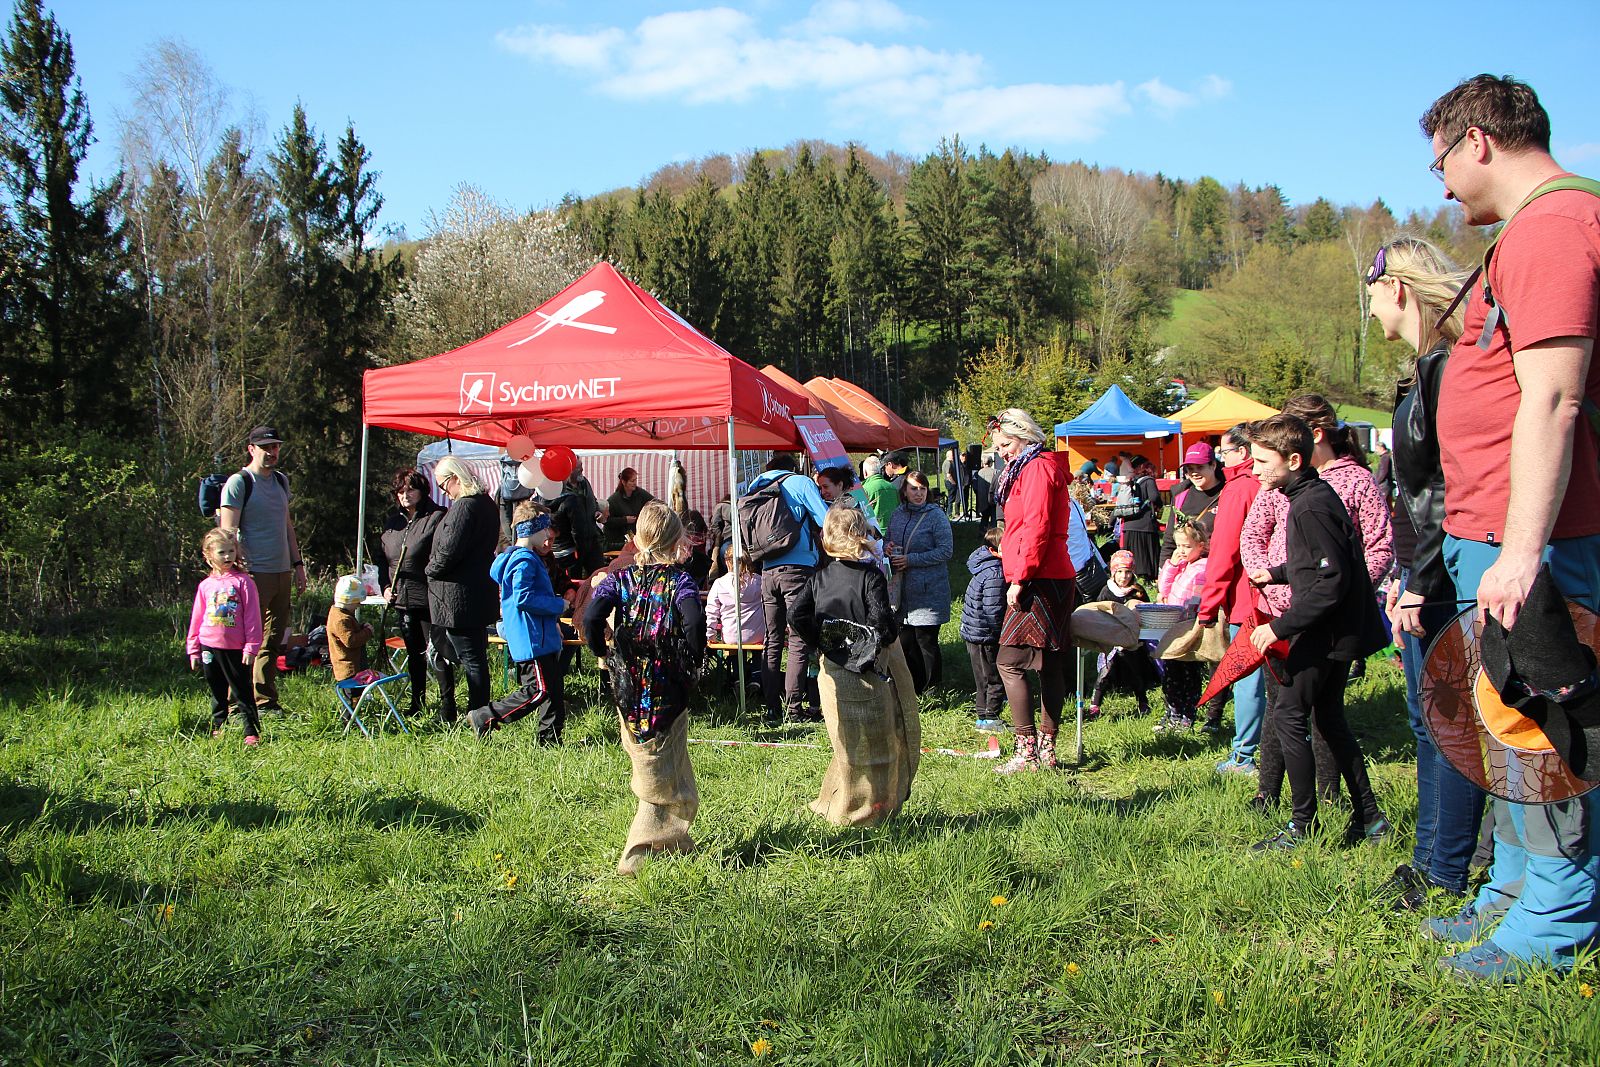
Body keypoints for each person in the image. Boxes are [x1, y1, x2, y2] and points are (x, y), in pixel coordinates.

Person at [1413, 74, 1600, 982]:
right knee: (1506, 723)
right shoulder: (1529, 232)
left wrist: (1523, 552)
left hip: (1539, 542)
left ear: (1477, 141)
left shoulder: (1555, 226)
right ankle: (1515, 890)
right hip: (1494, 532)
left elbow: (1555, 398)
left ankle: (1556, 920)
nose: (1444, 185)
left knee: (1543, 729)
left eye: (1441, 163)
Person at [1365, 235, 1481, 914]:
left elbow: (1447, 485)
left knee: (1448, 720)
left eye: (1372, 295)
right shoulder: (1425, 369)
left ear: (1398, 287)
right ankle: (1432, 860)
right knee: (1427, 720)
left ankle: (1445, 868)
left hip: (1439, 574)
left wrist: (1421, 578)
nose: (1370, 311)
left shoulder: (1446, 368)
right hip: (1420, 570)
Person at [1244, 414, 1389, 853]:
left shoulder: (1309, 505)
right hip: (1334, 629)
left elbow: (1332, 581)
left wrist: (1279, 627)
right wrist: (1277, 572)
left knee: (1289, 716)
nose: (1254, 469)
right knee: (1328, 719)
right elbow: (1323, 561)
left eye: (1262, 461)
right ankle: (1371, 818)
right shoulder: (1312, 494)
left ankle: (1301, 826)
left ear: (1293, 460)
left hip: (1322, 631)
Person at [582, 503, 706, 875]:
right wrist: (694, 658)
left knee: (652, 757)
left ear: (637, 539)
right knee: (666, 762)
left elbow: (591, 615)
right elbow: (694, 623)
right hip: (668, 685)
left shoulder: (619, 578)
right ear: (677, 540)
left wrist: (601, 649)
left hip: (629, 686)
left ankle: (671, 840)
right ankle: (642, 848)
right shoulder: (680, 581)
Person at [790, 506, 921, 825]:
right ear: (861, 536)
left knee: (845, 742)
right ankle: (873, 807)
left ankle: (842, 801)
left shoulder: (819, 578)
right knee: (879, 742)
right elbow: (882, 625)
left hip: (833, 673)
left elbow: (795, 615)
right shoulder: (870, 576)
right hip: (868, 672)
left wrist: (823, 639)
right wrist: (871, 642)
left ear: (826, 538)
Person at [987, 409, 1077, 773]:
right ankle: (1045, 750)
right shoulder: (1031, 467)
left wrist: (1020, 578)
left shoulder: (1037, 468)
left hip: (1039, 577)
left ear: (1025, 437)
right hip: (1049, 574)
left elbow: (1037, 527)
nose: (1002, 452)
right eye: (998, 447)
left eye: (1006, 444)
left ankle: (1028, 753)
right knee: (1048, 664)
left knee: (1009, 661)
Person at [217, 425, 305, 713]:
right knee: (245, 640)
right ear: (251, 449)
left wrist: (298, 565)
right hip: (252, 574)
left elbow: (287, 526)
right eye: (265, 447)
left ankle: (265, 700)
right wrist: (232, 575)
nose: (271, 452)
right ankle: (236, 704)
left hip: (281, 571)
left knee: (273, 640)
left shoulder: (281, 481)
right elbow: (227, 533)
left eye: (275, 447)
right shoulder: (239, 482)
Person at [463, 502, 568, 741]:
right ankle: (486, 716)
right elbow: (524, 598)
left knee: (553, 690)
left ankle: (550, 739)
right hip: (533, 639)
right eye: (544, 529)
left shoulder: (522, 558)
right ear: (533, 529)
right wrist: (557, 605)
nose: (547, 535)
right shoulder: (524, 561)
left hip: (540, 637)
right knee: (538, 690)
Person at [1198, 424, 1266, 774]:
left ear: (1243, 452)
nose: (1221, 459)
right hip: (1285, 596)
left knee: (1248, 678)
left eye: (1223, 452)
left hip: (1248, 598)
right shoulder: (1281, 481)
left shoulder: (1239, 489)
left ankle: (1245, 755)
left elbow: (1224, 551)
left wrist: (1208, 605)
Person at [747, 453, 832, 724]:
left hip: (767, 570)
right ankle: (794, 709)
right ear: (793, 468)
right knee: (797, 639)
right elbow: (826, 520)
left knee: (772, 640)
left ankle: (772, 708)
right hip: (798, 569)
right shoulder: (800, 483)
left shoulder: (755, 486)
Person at [425, 456, 500, 721]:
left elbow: (449, 551)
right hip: (476, 590)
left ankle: (478, 715)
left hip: (459, 596)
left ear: (455, 478)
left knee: (471, 660)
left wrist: (429, 570)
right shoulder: (486, 504)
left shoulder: (465, 506)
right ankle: (479, 713)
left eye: (443, 485)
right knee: (475, 658)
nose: (444, 492)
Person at [378, 467, 449, 722]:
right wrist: (385, 587)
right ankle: (417, 702)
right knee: (414, 654)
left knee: (437, 652)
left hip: (430, 598)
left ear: (422, 491)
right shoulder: (393, 522)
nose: (405, 495)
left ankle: (447, 706)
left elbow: (442, 555)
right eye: (400, 491)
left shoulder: (436, 517)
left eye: (410, 490)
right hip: (402, 598)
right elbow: (382, 561)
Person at [186, 527, 262, 745]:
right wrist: (193, 649)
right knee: (216, 689)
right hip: (209, 646)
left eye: (231, 551)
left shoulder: (244, 582)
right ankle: (219, 726)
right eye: (222, 552)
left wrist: (251, 646)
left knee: (242, 690)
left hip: (235, 648)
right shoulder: (205, 586)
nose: (228, 556)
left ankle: (251, 731)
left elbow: (252, 617)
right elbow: (197, 618)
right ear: (209, 555)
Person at [887, 470, 954, 694]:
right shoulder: (897, 514)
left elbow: (946, 551)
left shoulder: (936, 516)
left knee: (926, 641)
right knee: (906, 641)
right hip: (902, 591)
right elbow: (889, 538)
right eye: (914, 489)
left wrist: (911, 559)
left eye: (922, 489)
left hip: (928, 590)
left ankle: (933, 689)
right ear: (904, 491)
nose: (919, 493)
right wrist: (888, 547)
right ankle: (913, 687)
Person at [1086, 550, 1156, 719]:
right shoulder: (1106, 591)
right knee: (1105, 672)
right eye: (1119, 572)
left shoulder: (1137, 591)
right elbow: (1100, 613)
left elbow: (1146, 613)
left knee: (1136, 672)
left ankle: (1143, 702)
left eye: (1128, 572)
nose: (1124, 576)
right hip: (1111, 641)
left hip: (1132, 641)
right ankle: (1095, 705)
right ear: (1113, 572)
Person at [1155, 524, 1210, 732]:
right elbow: (1163, 588)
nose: (1181, 551)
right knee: (1171, 673)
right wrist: (1171, 565)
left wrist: (1191, 617)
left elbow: (1196, 599)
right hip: (1173, 625)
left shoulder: (1202, 569)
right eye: (1178, 546)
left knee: (1188, 674)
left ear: (1200, 546)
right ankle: (1173, 712)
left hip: (1188, 627)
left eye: (1187, 546)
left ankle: (1187, 714)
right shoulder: (1183, 566)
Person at [961, 526, 1007, 733]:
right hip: (986, 633)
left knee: (981, 676)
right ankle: (991, 717)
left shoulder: (983, 565)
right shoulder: (996, 573)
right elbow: (993, 609)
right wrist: (999, 634)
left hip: (973, 631)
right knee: (994, 677)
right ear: (994, 550)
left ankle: (982, 716)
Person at [705, 540, 764, 688]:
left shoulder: (719, 583)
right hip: (757, 635)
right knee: (758, 646)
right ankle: (756, 676)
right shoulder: (758, 581)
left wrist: (710, 634)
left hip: (732, 636)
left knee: (733, 644)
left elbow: (711, 610)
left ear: (727, 562)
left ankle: (737, 676)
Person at [1161, 443, 1224, 567]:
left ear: (1213, 465)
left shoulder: (1227, 493)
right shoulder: (1180, 495)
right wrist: (1164, 568)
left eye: (1200, 467)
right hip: (1185, 570)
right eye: (1190, 469)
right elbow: (1169, 539)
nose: (1194, 473)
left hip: (1216, 566)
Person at [550, 458, 606, 579]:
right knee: (576, 580)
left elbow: (593, 500)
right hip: (573, 546)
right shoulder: (559, 490)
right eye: (578, 468)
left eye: (581, 466)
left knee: (600, 576)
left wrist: (597, 511)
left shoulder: (584, 482)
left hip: (592, 540)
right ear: (568, 470)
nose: (582, 470)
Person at [1120, 455, 1162, 579]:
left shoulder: (1131, 481)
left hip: (1129, 523)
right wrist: (1159, 505)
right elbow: (1154, 497)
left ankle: (1131, 575)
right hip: (1145, 524)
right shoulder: (1149, 480)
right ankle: (1148, 577)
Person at [326, 575, 373, 683]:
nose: (359, 606)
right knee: (355, 693)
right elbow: (351, 641)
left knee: (360, 692)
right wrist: (367, 632)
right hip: (349, 671)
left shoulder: (341, 614)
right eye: (357, 603)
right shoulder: (341, 619)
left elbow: (349, 631)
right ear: (349, 601)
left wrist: (361, 628)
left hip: (354, 668)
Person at [604, 467, 655, 548]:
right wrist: (624, 520)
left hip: (635, 537)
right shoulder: (614, 500)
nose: (635, 483)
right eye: (632, 481)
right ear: (624, 482)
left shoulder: (639, 493)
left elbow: (654, 501)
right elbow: (607, 521)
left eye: (635, 480)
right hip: (618, 541)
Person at [862, 454, 898, 533]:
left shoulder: (863, 490)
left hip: (875, 533)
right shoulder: (893, 487)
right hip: (893, 531)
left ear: (865, 472)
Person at [974, 452, 997, 526]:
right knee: (993, 516)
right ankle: (993, 529)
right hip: (992, 497)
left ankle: (982, 529)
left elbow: (975, 486)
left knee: (984, 516)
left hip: (982, 497)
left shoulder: (978, 472)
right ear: (991, 463)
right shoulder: (995, 472)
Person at [943, 447, 966, 519]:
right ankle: (949, 514)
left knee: (951, 498)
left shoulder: (949, 462)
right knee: (951, 499)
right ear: (949, 456)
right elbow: (948, 475)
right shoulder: (948, 463)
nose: (953, 456)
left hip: (950, 482)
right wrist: (953, 482)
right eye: (952, 455)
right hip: (950, 483)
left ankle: (951, 513)